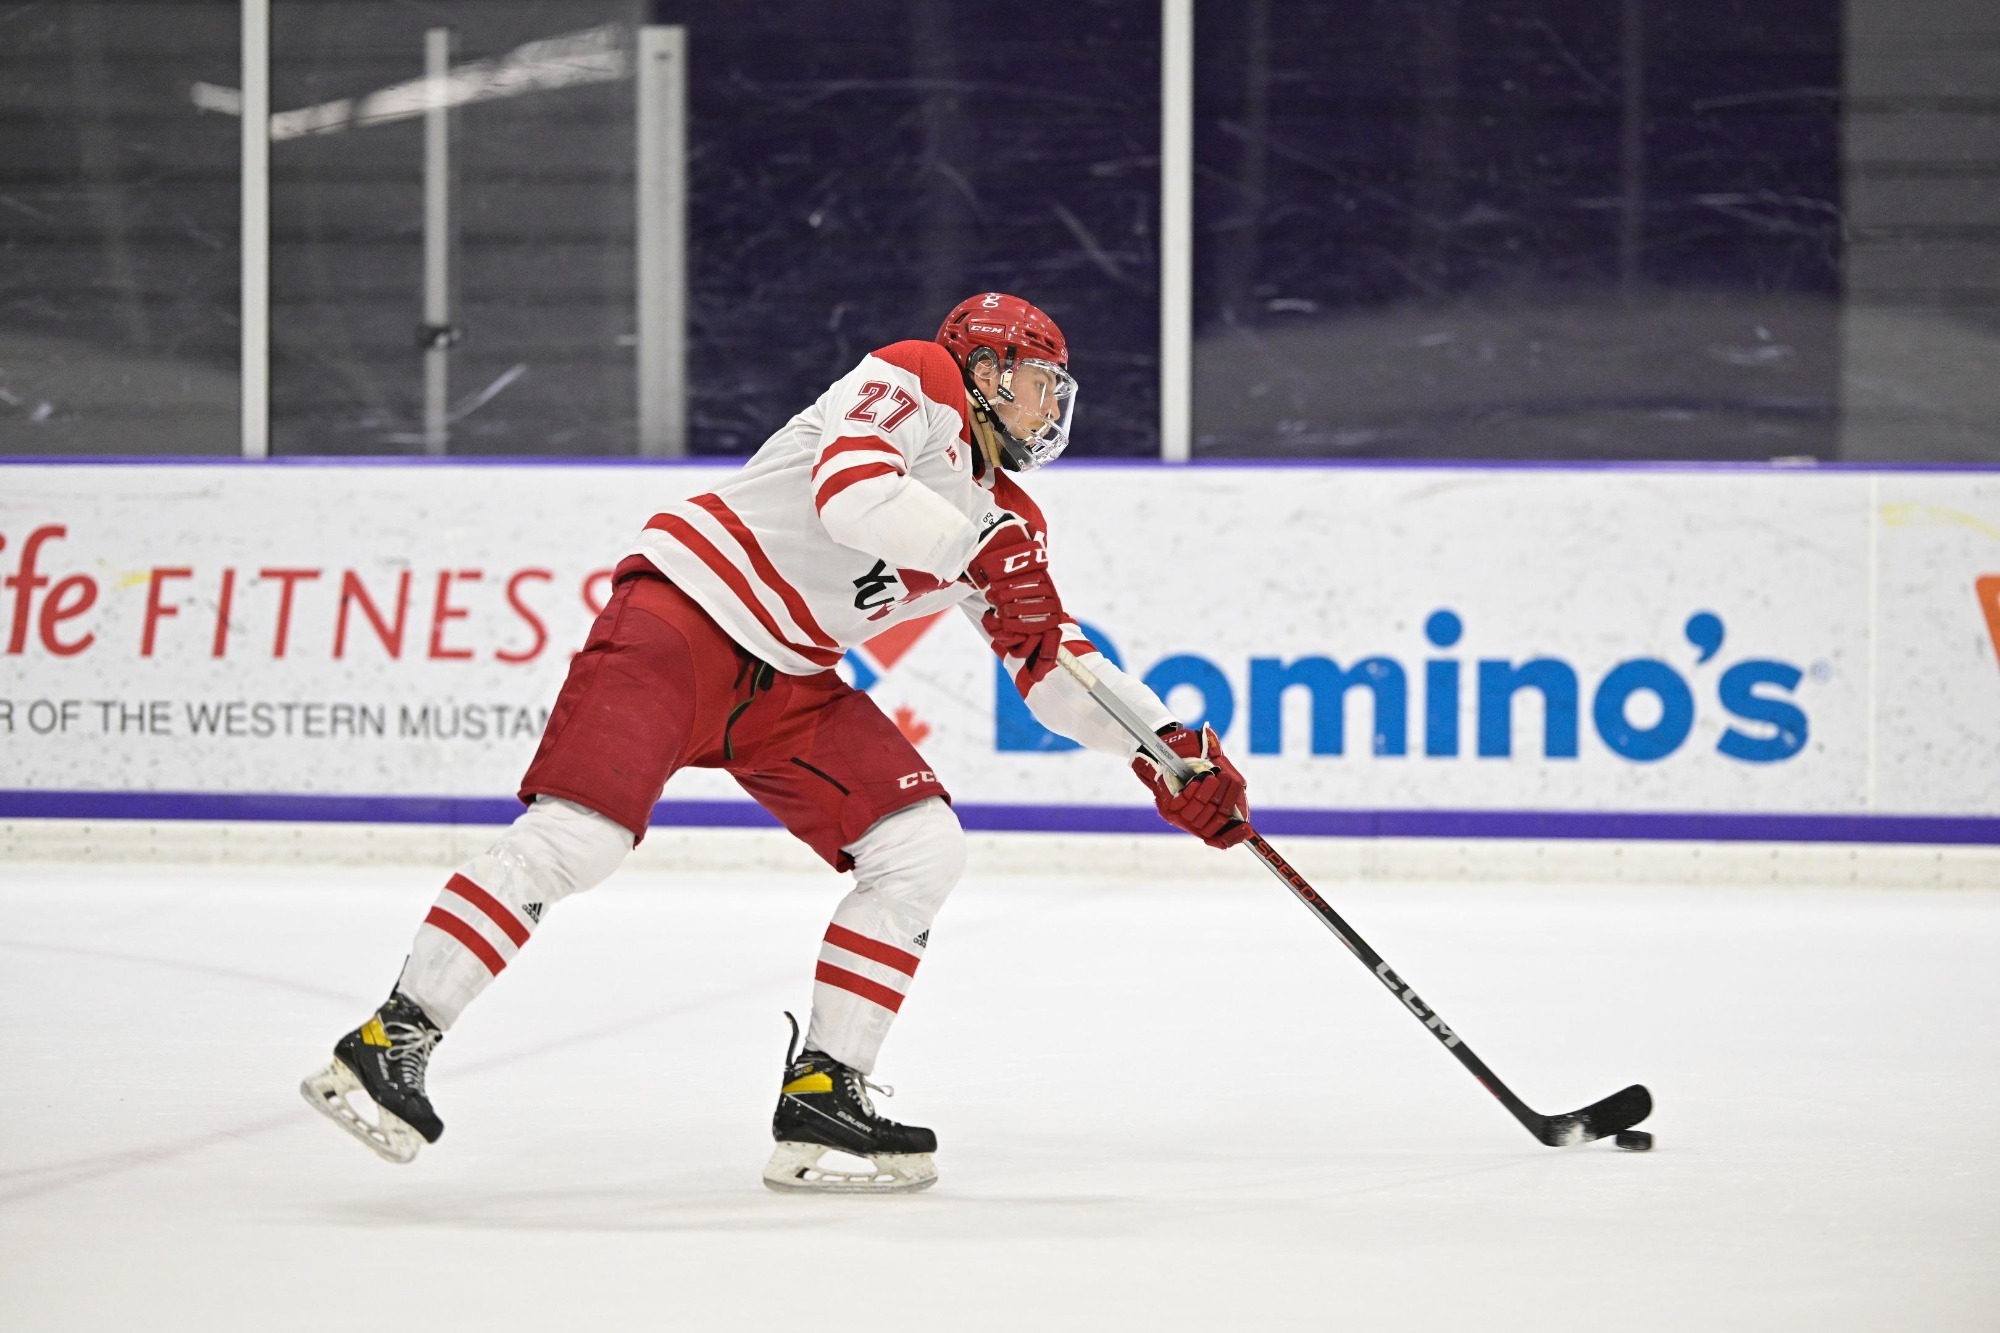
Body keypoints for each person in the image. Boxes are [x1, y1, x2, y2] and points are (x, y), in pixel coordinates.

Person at [301, 293, 1251, 1193]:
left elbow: (1052, 665)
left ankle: (823, 1094)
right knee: (579, 839)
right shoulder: (916, 377)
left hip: (786, 683)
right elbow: (852, 492)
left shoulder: (1008, 517)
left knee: (919, 845)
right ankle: (395, 1033)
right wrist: (974, 546)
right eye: (1044, 379)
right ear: (989, 369)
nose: (1054, 404)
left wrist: (1162, 747)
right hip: (686, 615)